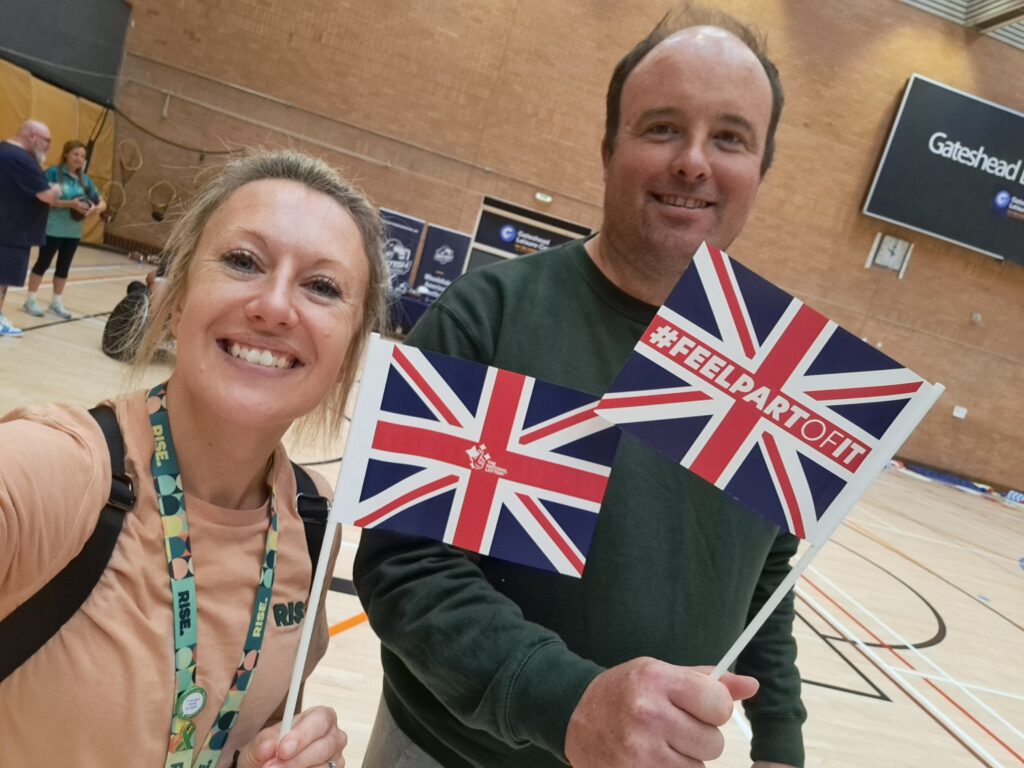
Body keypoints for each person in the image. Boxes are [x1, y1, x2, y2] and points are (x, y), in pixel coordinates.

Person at [354, 5, 804, 768]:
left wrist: (782, 744)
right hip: (446, 753)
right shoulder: (491, 318)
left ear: (760, 170)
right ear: (607, 149)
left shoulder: (769, 367)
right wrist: (573, 704)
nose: (694, 162)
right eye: (662, 128)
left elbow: (763, 577)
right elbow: (406, 565)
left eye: (729, 137)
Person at [0, 149, 388, 767]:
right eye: (242, 261)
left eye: (321, 286)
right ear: (176, 298)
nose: (276, 305)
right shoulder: (57, 469)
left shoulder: (312, 520)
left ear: (347, 351)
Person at [23, 139, 106, 319]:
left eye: (82, 156)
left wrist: (95, 208)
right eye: (75, 154)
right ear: (66, 154)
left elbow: (102, 202)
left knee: (64, 267)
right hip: (52, 229)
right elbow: (42, 198)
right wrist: (71, 204)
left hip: (73, 232)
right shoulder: (53, 174)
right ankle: (30, 300)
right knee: (43, 263)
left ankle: (56, 302)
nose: (79, 158)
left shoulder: (85, 181)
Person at [0, 120, 62, 337]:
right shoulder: (21, 159)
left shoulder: (5, 151)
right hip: (9, 232)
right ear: (32, 137)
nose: (49, 146)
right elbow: (47, 196)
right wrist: (55, 189)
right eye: (47, 141)